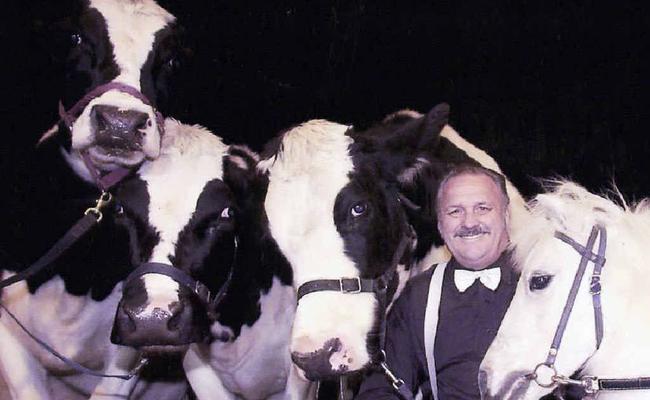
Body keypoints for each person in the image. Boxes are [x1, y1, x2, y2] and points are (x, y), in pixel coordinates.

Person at [355, 164, 518, 400]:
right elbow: (381, 388)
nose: (469, 223)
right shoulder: (419, 295)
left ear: (506, 216)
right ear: (441, 225)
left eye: (482, 208)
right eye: (455, 212)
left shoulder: (547, 283)